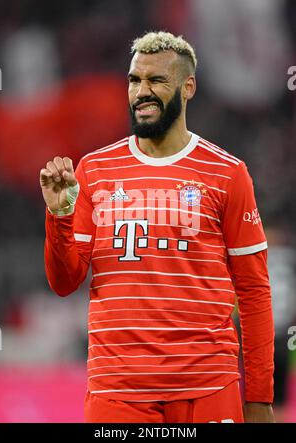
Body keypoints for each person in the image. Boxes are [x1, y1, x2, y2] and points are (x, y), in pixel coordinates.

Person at [40, 31, 275, 423]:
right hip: (117, 389)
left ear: (188, 87)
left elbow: (253, 292)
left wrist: (260, 397)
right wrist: (60, 216)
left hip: (207, 385)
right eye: (134, 80)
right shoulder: (94, 171)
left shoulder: (227, 174)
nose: (141, 91)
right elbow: (64, 282)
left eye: (156, 81)